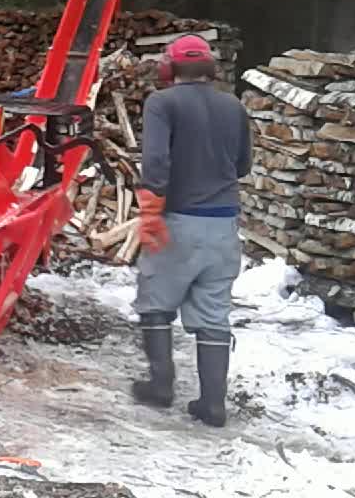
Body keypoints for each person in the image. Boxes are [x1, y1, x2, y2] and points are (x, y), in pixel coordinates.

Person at [131, 34, 252, 428]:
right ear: (210, 69)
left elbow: (155, 159)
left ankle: (160, 386)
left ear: (169, 68)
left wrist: (151, 206)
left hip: (178, 220)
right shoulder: (233, 105)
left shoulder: (161, 103)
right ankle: (213, 404)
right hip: (223, 224)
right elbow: (243, 165)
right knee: (214, 314)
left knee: (156, 302)